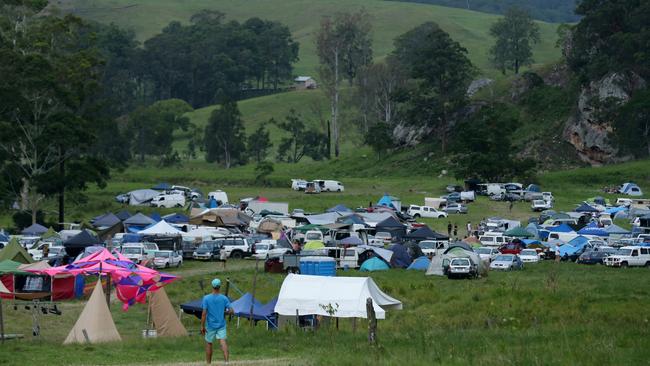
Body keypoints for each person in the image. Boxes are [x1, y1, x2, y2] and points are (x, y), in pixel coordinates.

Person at [201, 278, 234, 365]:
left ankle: (208, 363)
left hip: (210, 325)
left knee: (209, 343)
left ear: (212, 286)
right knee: (223, 342)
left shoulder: (206, 298)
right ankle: (226, 362)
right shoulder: (224, 298)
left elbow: (204, 314)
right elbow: (231, 311)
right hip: (221, 325)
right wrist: (225, 312)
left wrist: (202, 326)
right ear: (219, 287)